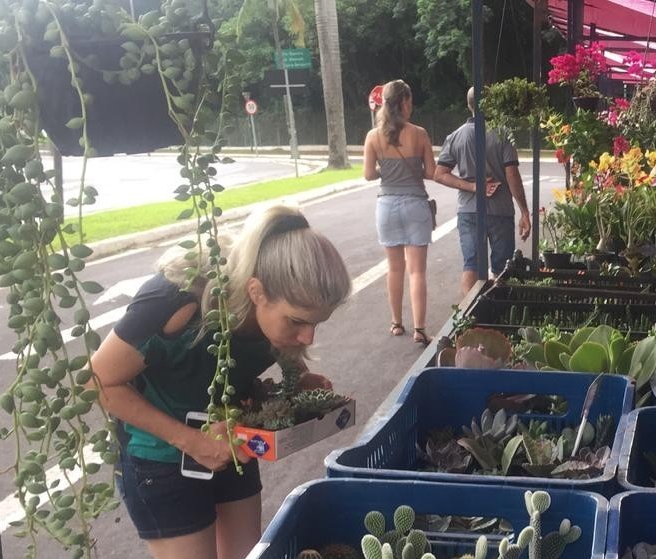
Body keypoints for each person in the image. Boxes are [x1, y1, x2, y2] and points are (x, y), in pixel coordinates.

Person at [91, 205, 352, 559]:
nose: (307, 337)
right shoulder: (177, 300)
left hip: (232, 446)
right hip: (160, 458)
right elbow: (98, 382)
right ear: (256, 291)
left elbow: (267, 351)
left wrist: (300, 380)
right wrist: (191, 441)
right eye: (296, 322)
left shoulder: (274, 313)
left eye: (317, 324)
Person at [434, 87, 532, 295]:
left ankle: (470, 321)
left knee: (472, 264)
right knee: (502, 268)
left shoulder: (455, 136)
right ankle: (500, 313)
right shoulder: (503, 134)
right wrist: (524, 210)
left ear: (468, 105)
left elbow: (440, 174)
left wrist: (472, 187)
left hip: (469, 210)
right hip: (501, 210)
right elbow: (512, 175)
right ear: (491, 105)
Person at [364, 79, 437, 345]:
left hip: (386, 206)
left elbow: (368, 174)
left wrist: (388, 169)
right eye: (410, 100)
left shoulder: (373, 136)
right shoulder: (420, 134)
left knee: (394, 269)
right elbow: (430, 172)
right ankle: (419, 329)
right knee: (417, 272)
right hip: (415, 205)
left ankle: (396, 324)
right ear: (404, 102)